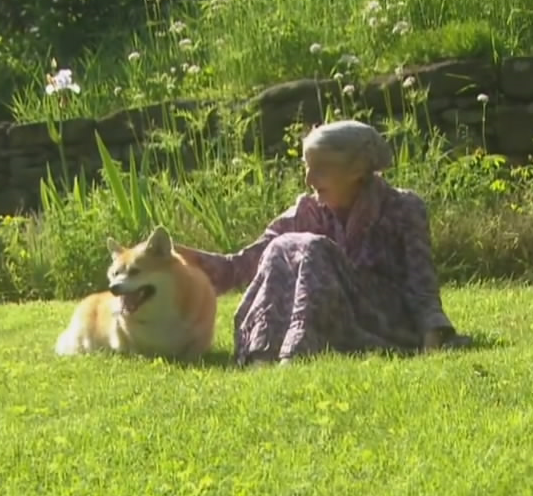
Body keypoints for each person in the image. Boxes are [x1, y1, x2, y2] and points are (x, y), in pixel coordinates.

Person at [175, 119, 466, 366]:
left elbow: (422, 283)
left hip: (385, 320)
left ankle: (298, 352)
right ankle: (262, 354)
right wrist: (183, 262)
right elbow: (248, 262)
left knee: (313, 249)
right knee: (283, 246)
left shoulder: (403, 207)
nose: (309, 179)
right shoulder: (308, 210)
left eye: (321, 169)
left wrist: (432, 337)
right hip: (334, 319)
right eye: (306, 167)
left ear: (357, 169)